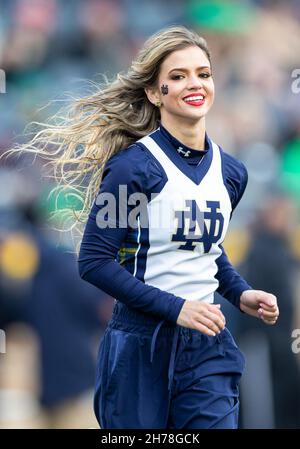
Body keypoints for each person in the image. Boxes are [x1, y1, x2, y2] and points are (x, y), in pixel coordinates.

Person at [8, 25, 279, 429]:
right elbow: (94, 261)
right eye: (178, 75)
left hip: (207, 344)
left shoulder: (232, 172)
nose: (195, 84)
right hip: (141, 346)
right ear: (155, 93)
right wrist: (177, 309)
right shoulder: (134, 168)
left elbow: (204, 248)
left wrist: (239, 293)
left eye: (203, 74)